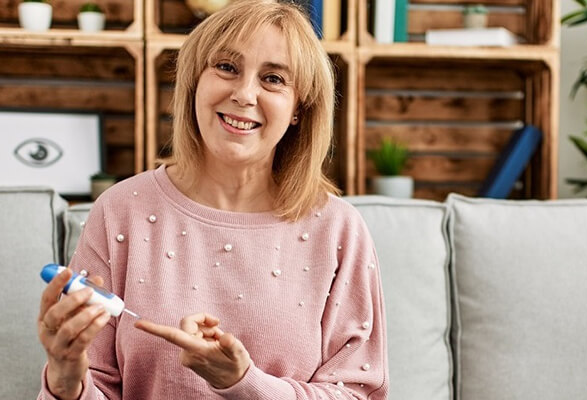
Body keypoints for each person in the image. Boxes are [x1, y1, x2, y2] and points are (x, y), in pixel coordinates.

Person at [34, 0, 389, 398]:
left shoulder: (338, 228)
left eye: (273, 79)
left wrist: (244, 384)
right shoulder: (120, 211)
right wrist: (65, 381)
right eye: (227, 67)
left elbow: (359, 394)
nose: (244, 94)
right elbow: (94, 383)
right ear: (195, 82)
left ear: (298, 110)